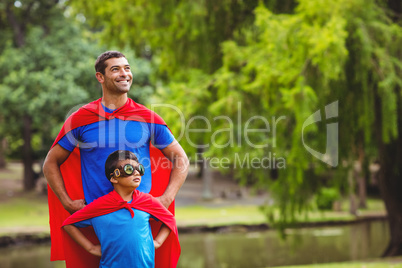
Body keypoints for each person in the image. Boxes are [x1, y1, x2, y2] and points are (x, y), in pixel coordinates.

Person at [43, 51, 189, 268]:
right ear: (100, 77)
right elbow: (50, 163)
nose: (124, 74)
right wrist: (66, 201)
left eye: (127, 68)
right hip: (96, 220)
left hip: (138, 219)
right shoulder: (81, 119)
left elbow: (181, 159)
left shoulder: (148, 118)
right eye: (116, 69)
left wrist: (167, 198)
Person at [62, 150, 180, 268]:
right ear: (114, 178)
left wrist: (157, 242)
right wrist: (91, 248)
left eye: (139, 168)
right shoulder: (99, 206)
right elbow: (68, 224)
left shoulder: (147, 201)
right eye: (129, 169)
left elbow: (170, 219)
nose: (136, 173)